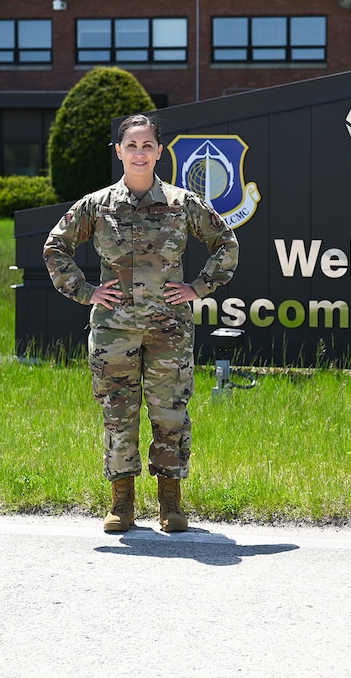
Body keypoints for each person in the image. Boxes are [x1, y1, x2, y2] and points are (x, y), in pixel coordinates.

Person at [44, 114, 239, 533]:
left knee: (170, 415)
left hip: (169, 329)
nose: (139, 153)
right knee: (119, 415)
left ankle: (170, 503)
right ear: (119, 151)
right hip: (114, 331)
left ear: (159, 151)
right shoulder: (98, 205)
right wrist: (86, 291)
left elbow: (225, 243)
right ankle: (122, 503)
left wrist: (198, 288)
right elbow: (55, 247)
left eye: (147, 145)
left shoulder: (182, 203)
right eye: (131, 146)